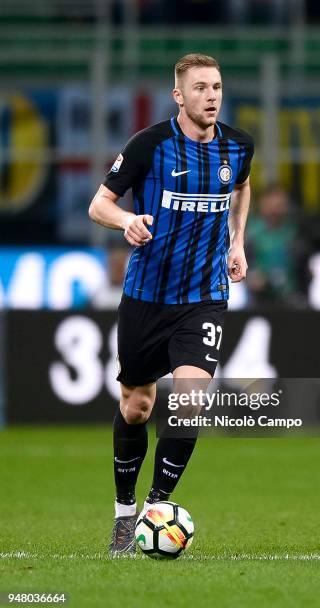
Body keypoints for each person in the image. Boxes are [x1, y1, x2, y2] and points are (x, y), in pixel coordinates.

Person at [88, 53, 254, 555]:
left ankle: (155, 509)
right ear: (178, 96)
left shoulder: (238, 146)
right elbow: (99, 204)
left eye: (218, 86)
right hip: (146, 296)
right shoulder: (150, 145)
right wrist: (126, 222)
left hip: (204, 297)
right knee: (137, 407)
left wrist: (237, 241)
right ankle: (123, 512)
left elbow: (242, 187)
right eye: (200, 88)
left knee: (187, 405)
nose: (212, 96)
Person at [246, 184, 304, 306]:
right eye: (272, 205)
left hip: (291, 296)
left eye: (280, 205)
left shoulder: (295, 232)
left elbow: (304, 264)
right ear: (262, 204)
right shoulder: (249, 232)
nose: (276, 210)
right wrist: (250, 276)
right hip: (257, 298)